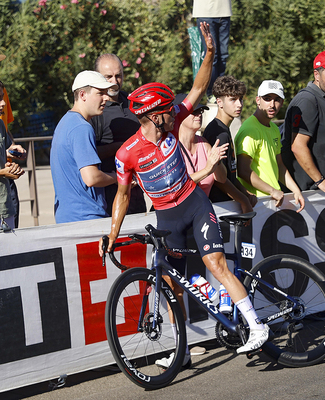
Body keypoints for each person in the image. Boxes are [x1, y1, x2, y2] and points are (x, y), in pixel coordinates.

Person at [99, 23, 270, 369]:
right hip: (166, 217)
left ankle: (257, 326)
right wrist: (112, 234)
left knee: (215, 265)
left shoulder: (172, 120)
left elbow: (198, 86)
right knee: (171, 284)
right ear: (150, 114)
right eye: (166, 109)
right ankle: (183, 350)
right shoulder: (128, 153)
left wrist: (209, 53)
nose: (176, 111)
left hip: (194, 204)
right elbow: (120, 194)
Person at [50, 71, 118, 223]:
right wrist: (118, 178)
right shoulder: (81, 127)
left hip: (69, 217)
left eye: (106, 93)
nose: (106, 97)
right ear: (82, 95)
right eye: (100, 93)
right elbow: (92, 178)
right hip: (86, 218)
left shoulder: (66, 122)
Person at [281, 51, 325, 197]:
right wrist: (320, 181)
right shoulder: (308, 100)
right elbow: (298, 146)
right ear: (316, 75)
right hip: (310, 194)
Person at [235, 80, 305, 212]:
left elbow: (279, 165)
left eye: (277, 99)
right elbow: (243, 170)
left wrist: (296, 190)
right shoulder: (250, 129)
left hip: (272, 202)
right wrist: (272, 190)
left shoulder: (273, 127)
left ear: (282, 103)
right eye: (267, 99)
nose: (272, 105)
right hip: (257, 204)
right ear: (258, 100)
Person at [91, 53, 146, 216]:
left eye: (118, 76)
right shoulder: (94, 110)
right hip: (110, 196)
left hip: (137, 193)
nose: (114, 82)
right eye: (108, 77)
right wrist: (120, 148)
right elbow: (89, 154)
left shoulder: (133, 102)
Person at [203, 75, 257, 213]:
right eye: (233, 99)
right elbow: (219, 179)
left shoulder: (223, 129)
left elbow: (230, 176)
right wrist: (243, 200)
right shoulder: (218, 132)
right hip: (221, 208)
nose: (239, 104)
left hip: (228, 204)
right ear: (219, 102)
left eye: (240, 99)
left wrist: (245, 192)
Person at [175, 92, 228, 196]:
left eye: (201, 110)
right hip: (180, 211)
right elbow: (178, 185)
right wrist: (207, 169)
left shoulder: (204, 144)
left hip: (201, 211)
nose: (199, 114)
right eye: (194, 111)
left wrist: (217, 162)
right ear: (178, 114)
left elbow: (222, 179)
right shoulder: (170, 147)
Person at [0, 52, 26, 228]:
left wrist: (12, 150)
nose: (2, 103)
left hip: (5, 192)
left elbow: (6, 132)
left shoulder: (3, 91)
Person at [193, 0, 232, 102]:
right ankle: (211, 93)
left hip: (225, 12)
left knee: (223, 56)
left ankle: (221, 90)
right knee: (212, 56)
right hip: (205, 13)